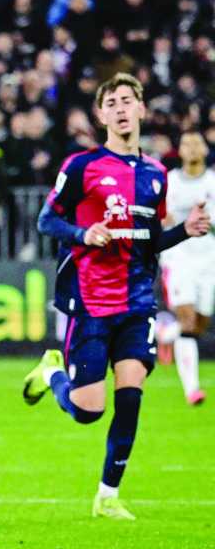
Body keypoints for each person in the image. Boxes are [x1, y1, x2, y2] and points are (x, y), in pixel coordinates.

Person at [22, 73, 211, 520]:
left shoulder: (156, 175)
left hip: (137, 302)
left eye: (128, 100)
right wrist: (83, 233)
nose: (121, 108)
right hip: (89, 301)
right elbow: (47, 221)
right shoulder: (81, 166)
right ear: (101, 114)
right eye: (112, 102)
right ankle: (52, 373)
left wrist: (185, 231)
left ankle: (107, 494)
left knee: (131, 395)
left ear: (142, 109)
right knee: (88, 411)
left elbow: (150, 241)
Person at [155, 132, 215, 405]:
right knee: (188, 321)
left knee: (200, 323)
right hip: (178, 257)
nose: (191, 148)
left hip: (208, 258)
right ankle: (192, 390)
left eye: (196, 144)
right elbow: (158, 217)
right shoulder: (170, 182)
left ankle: (165, 334)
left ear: (205, 150)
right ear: (179, 151)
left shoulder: (212, 182)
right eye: (186, 144)